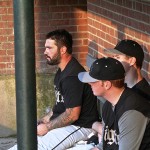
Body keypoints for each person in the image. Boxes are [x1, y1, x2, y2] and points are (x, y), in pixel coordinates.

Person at [9, 29, 99, 150]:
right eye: (45, 48)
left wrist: (47, 127)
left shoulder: (72, 76)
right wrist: (44, 120)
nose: (45, 52)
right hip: (68, 125)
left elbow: (72, 115)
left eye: (49, 48)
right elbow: (59, 105)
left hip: (81, 126)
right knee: (24, 143)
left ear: (63, 50)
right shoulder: (62, 71)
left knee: (35, 147)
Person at [78, 57, 150, 150]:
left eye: (93, 81)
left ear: (107, 84)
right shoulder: (108, 105)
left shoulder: (131, 111)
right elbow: (104, 145)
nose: (89, 84)